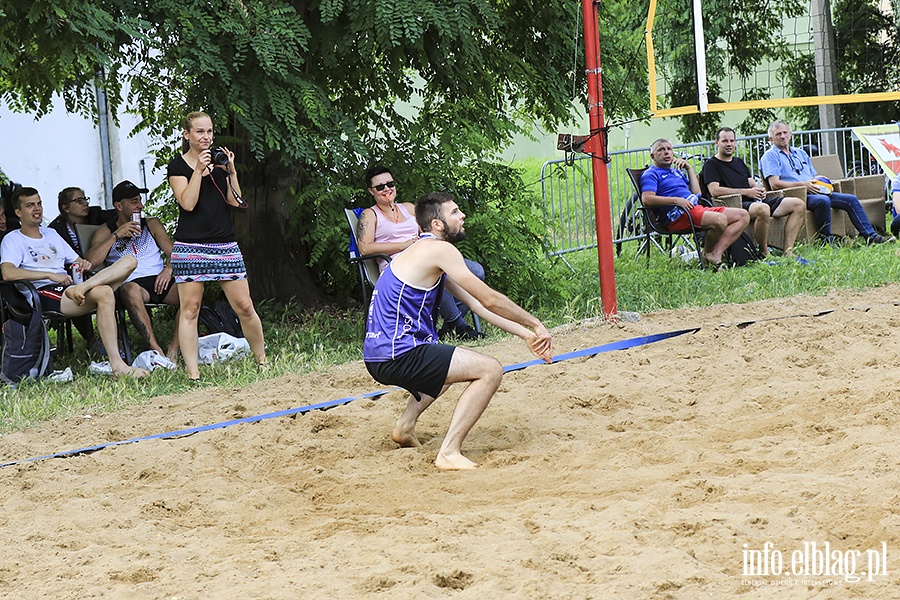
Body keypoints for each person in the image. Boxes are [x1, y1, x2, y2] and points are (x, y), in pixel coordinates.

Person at [363, 191, 553, 470]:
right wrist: (535, 322)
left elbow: (477, 305)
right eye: (454, 212)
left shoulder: (421, 252)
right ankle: (449, 452)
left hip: (380, 354)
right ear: (437, 224)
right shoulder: (440, 250)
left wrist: (526, 334)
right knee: (490, 370)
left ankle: (404, 427)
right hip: (398, 353)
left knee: (451, 366)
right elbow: (489, 298)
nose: (462, 215)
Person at [0, 187, 148, 378]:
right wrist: (50, 275)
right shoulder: (13, 239)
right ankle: (117, 364)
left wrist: (83, 263)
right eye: (30, 205)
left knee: (130, 262)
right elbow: (7, 272)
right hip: (44, 292)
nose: (37, 209)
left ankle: (118, 365)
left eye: (39, 203)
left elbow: (77, 261)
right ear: (18, 212)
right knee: (104, 292)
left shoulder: (51, 234)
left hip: (71, 288)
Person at [166, 111, 267, 381]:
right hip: (190, 246)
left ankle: (263, 362)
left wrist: (230, 172)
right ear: (187, 135)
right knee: (190, 309)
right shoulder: (178, 166)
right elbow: (187, 203)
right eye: (200, 132)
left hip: (225, 244)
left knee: (245, 306)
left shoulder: (219, 164)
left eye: (209, 131)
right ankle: (193, 374)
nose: (206, 137)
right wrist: (199, 170)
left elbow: (236, 202)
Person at [357, 165, 485, 341]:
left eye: (390, 184)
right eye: (380, 187)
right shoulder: (369, 215)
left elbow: (429, 229)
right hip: (398, 267)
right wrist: (403, 245)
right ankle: (459, 325)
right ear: (371, 191)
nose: (386, 189)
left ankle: (450, 324)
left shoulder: (408, 208)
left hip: (426, 254)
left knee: (476, 271)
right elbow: (365, 248)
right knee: (439, 272)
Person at [86, 180, 180, 360]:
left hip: (160, 279)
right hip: (133, 284)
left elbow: (174, 253)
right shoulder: (106, 231)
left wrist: (168, 269)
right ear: (119, 206)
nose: (141, 206)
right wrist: (117, 235)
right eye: (135, 202)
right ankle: (155, 348)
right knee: (130, 290)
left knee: (192, 287)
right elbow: (91, 262)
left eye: (140, 200)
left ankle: (174, 348)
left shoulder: (151, 224)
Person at [760, 120, 892, 245]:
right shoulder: (770, 156)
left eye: (785, 132)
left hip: (814, 190)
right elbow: (774, 184)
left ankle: (871, 236)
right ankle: (826, 240)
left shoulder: (800, 153)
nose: (782, 136)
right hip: (794, 196)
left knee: (850, 199)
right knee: (823, 201)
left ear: (790, 134)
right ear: (771, 139)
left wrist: (820, 180)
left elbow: (811, 176)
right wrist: (803, 185)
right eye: (778, 134)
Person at [641, 138, 750, 269]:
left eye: (669, 149)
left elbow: (697, 193)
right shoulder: (650, 174)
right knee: (720, 220)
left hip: (695, 208)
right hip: (678, 215)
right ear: (653, 156)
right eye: (661, 150)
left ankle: (714, 254)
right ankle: (709, 253)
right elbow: (646, 199)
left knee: (743, 215)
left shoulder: (675, 171)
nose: (667, 152)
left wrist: (689, 168)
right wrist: (676, 200)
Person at [701, 127, 806, 257]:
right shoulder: (711, 165)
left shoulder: (738, 162)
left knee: (798, 204)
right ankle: (763, 251)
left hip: (752, 200)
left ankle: (788, 250)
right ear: (717, 143)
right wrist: (747, 192)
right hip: (733, 204)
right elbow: (714, 191)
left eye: (732, 141)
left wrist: (758, 187)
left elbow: (749, 181)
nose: (729, 144)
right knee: (763, 209)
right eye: (725, 141)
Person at [49, 187, 114, 256]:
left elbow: (118, 214)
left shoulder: (96, 214)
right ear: (66, 208)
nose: (86, 203)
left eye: (85, 199)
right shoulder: (56, 229)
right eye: (80, 201)